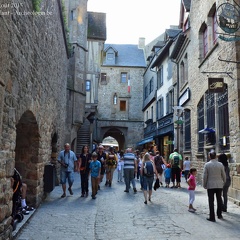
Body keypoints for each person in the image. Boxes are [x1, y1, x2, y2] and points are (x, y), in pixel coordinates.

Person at [203, 150, 226, 222]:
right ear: (216, 156)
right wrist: (223, 182)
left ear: (209, 156)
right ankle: (219, 214)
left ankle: (212, 216)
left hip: (210, 185)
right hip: (219, 184)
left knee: (211, 201)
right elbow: (223, 175)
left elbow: (205, 176)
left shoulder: (207, 165)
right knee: (219, 199)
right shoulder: (220, 164)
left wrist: (204, 184)